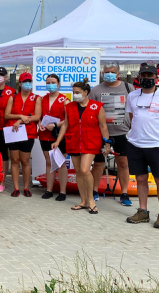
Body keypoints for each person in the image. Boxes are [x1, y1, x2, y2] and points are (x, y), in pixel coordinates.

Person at [125, 64, 159, 229]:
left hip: (157, 144)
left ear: (156, 78)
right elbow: (133, 116)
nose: (147, 79)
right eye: (144, 76)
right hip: (135, 143)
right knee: (140, 178)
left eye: (150, 76)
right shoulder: (132, 95)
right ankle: (143, 211)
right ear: (139, 77)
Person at [53, 79, 109, 215]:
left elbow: (103, 126)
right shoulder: (69, 106)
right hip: (74, 141)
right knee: (78, 172)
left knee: (85, 170)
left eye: (77, 92)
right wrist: (58, 141)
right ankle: (83, 201)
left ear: (85, 92)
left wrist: (107, 142)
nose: (75, 95)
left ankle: (91, 200)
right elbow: (65, 124)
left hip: (90, 142)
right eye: (73, 92)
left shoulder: (97, 106)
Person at [89, 63, 134, 205]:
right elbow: (91, 111)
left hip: (123, 133)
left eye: (112, 71)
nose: (109, 74)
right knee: (98, 163)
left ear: (118, 74)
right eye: (106, 71)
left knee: (123, 164)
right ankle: (94, 191)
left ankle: (124, 193)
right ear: (102, 74)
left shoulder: (128, 88)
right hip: (101, 133)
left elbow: (134, 110)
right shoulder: (96, 90)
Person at [5, 72, 41, 197]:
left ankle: (26, 187)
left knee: (25, 161)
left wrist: (21, 120)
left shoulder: (36, 98)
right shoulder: (13, 97)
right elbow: (7, 115)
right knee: (14, 160)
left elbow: (37, 116)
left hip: (28, 133)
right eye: (24, 81)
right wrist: (20, 116)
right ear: (20, 83)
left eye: (29, 81)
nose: (27, 84)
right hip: (13, 132)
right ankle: (16, 188)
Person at [38, 74, 69, 201]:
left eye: (53, 82)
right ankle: (49, 190)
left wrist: (55, 125)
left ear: (58, 84)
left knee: (60, 163)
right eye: (48, 82)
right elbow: (38, 116)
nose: (50, 84)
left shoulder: (65, 100)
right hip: (44, 135)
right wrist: (40, 125)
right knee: (49, 162)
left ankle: (62, 192)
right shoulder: (42, 99)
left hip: (59, 135)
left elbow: (67, 120)